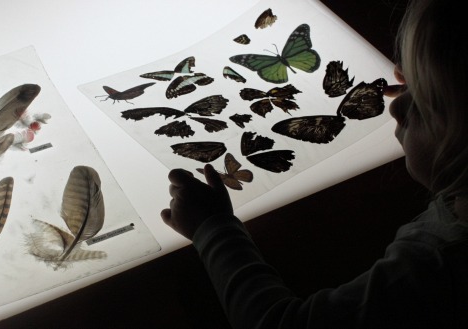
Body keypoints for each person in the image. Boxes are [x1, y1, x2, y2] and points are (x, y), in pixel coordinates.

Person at [160, 0, 468, 327]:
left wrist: (212, 228)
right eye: (413, 83)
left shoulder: (438, 269)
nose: (395, 108)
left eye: (427, 103)